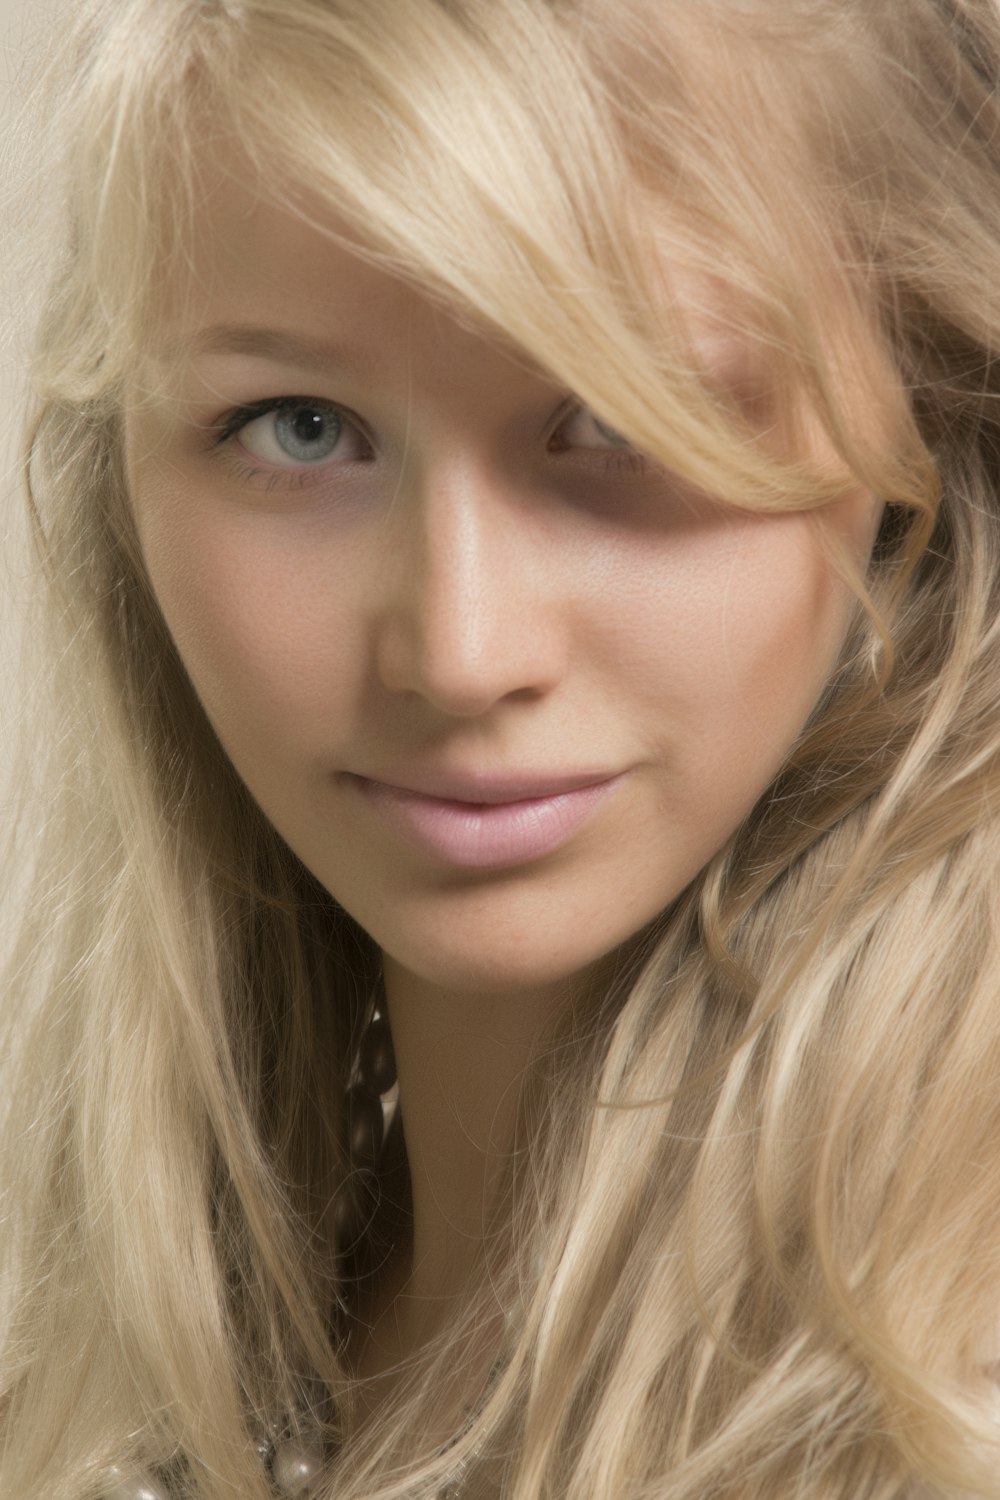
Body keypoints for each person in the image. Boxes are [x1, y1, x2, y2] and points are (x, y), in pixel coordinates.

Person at [3, 0, 1000, 1495]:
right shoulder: (108, 1371)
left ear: (932, 433)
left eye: (623, 422)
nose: (459, 654)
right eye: (298, 427)